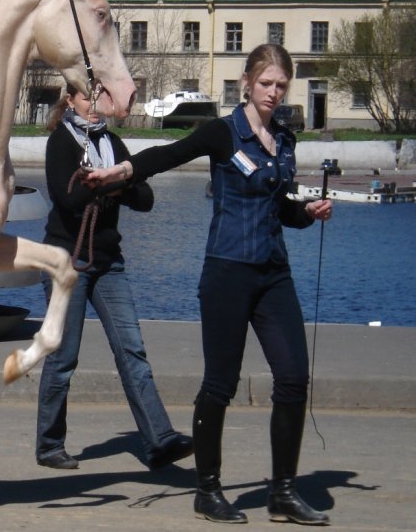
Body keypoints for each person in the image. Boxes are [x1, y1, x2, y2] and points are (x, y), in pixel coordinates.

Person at [84, 43, 333, 525]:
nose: (274, 93)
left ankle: (282, 491)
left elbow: (282, 209)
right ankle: (208, 489)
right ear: (247, 81)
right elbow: (170, 153)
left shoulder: (285, 140)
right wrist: (124, 170)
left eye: (281, 85)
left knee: (294, 377)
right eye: (266, 83)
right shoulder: (223, 133)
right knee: (221, 383)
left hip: (273, 273)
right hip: (227, 272)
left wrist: (307, 213)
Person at [35, 83, 193, 472]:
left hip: (109, 263)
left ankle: (160, 440)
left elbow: (146, 200)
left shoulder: (113, 144)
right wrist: (109, 186)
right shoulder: (60, 142)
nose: (93, 106)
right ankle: (49, 444)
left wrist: (110, 181)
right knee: (63, 357)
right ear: (70, 100)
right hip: (66, 261)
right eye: (86, 98)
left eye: (98, 99)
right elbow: (66, 200)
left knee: (132, 350)